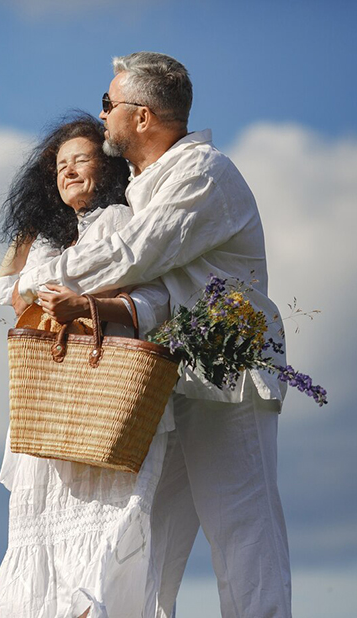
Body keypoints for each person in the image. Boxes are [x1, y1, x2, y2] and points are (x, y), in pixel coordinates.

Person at [16, 52, 291, 618]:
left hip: (228, 382)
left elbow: (133, 255)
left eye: (108, 104)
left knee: (243, 540)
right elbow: (153, 291)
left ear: (141, 117)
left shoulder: (203, 174)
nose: (103, 114)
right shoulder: (141, 187)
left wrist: (37, 281)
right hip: (166, 384)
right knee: (141, 549)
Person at [0, 113, 171, 618]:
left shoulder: (116, 222)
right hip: (59, 402)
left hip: (98, 395)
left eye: (81, 160)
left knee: (103, 532)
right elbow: (7, 288)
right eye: (59, 167)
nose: (67, 172)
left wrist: (36, 277)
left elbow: (49, 283)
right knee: (46, 530)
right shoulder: (57, 239)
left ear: (107, 168)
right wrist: (27, 221)